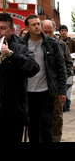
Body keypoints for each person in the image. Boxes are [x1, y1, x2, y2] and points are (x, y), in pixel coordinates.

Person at [0, 13, 40, 142]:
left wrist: (11, 54)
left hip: (13, 112)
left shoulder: (20, 48)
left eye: (3, 28)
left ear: (12, 30)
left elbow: (33, 68)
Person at [19, 14, 67, 142]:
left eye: (38, 24)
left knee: (46, 123)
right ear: (27, 27)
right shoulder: (21, 44)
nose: (37, 26)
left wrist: (62, 91)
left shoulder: (51, 43)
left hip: (46, 91)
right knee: (32, 125)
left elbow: (60, 67)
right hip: (28, 92)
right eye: (33, 24)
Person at [41, 19, 73, 141]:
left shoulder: (61, 45)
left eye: (50, 32)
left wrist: (63, 77)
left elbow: (69, 64)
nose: (48, 35)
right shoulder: (36, 44)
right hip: (40, 87)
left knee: (56, 117)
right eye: (45, 32)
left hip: (56, 87)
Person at [58, 24, 75, 112]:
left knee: (68, 86)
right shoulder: (57, 42)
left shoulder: (71, 41)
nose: (64, 32)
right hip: (61, 67)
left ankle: (67, 104)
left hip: (70, 65)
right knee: (62, 86)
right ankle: (63, 105)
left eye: (65, 31)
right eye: (62, 31)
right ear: (60, 32)